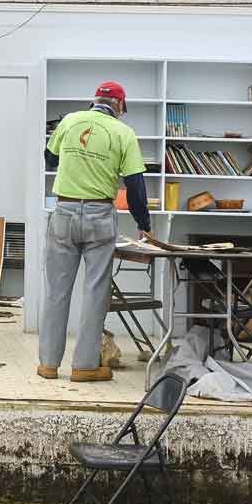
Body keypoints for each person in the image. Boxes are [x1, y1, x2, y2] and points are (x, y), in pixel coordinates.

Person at [39, 81, 154, 382]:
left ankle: (48, 364)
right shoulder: (123, 133)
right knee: (95, 293)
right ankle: (84, 366)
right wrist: (144, 224)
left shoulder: (70, 120)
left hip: (63, 212)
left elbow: (49, 158)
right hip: (100, 215)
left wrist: (77, 158)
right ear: (119, 106)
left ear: (94, 102)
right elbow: (136, 187)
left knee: (56, 291)